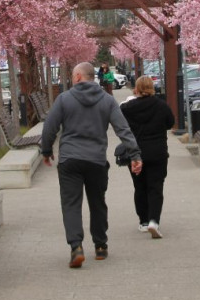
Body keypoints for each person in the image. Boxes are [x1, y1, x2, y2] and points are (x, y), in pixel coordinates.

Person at [40, 62, 141, 268]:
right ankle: (101, 246)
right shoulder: (107, 100)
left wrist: (47, 151)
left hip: (69, 159)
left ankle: (76, 247)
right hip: (96, 160)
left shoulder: (64, 99)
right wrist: (135, 154)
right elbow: (123, 129)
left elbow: (50, 127)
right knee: (97, 202)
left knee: (71, 204)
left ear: (77, 77)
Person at [120, 76, 175, 238]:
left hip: (135, 152)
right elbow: (170, 123)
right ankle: (154, 221)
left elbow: (121, 125)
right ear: (152, 87)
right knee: (155, 187)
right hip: (157, 152)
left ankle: (143, 221)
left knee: (140, 187)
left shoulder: (127, 108)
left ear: (136, 88)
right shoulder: (161, 106)